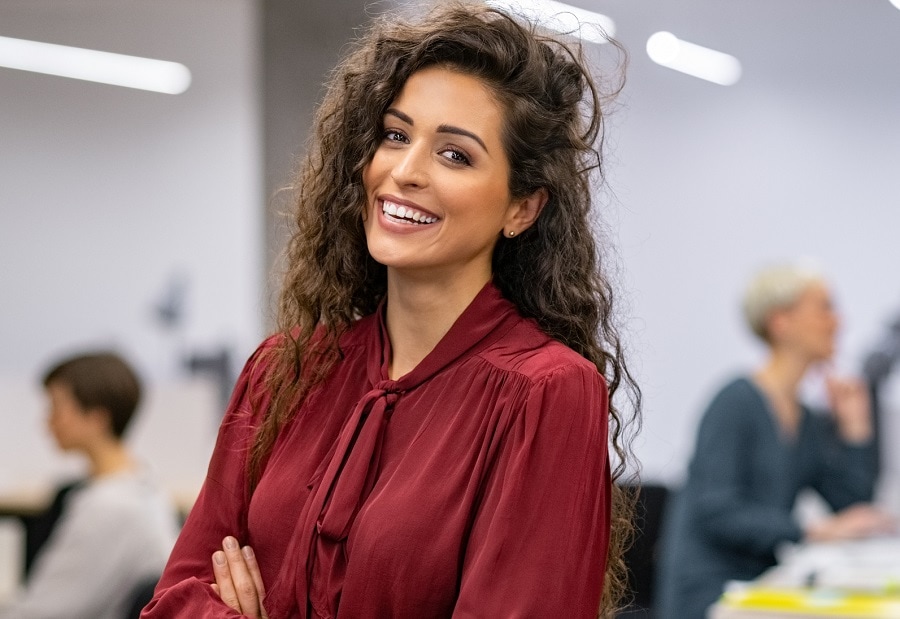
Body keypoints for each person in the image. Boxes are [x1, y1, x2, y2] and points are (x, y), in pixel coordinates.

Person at [142, 2, 640, 617]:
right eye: (395, 136)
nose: (404, 172)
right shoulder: (283, 370)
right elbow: (175, 600)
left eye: (455, 154)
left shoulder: (546, 394)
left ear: (523, 208)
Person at [656, 263, 897, 619]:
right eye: (824, 308)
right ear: (780, 321)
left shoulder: (807, 418)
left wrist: (856, 428)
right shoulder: (734, 402)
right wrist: (812, 531)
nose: (838, 322)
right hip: (711, 591)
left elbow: (852, 503)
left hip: (763, 585)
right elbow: (718, 511)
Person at [0, 351, 180, 619]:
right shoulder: (141, 484)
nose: (47, 421)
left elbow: (41, 612)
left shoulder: (109, 507)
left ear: (97, 417)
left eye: (57, 408)